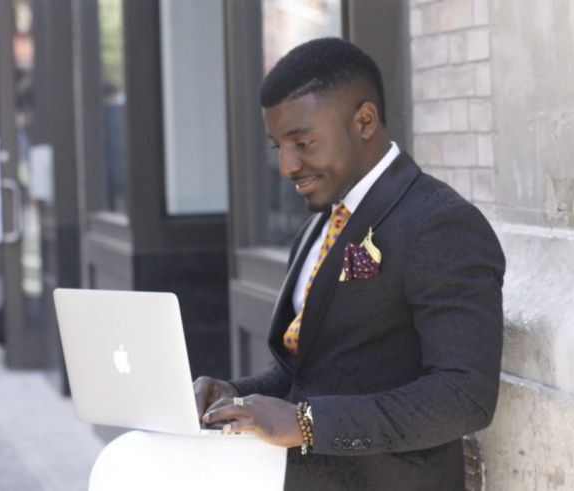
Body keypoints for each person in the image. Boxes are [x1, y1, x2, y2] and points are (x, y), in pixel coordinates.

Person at [195, 37, 505, 490]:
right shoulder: (320, 225)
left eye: (303, 142)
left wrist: (306, 424)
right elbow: (306, 371)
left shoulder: (440, 223)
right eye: (277, 146)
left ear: (364, 121)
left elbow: (463, 396)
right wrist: (235, 397)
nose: (286, 165)